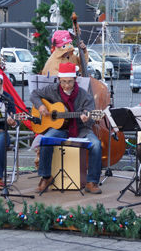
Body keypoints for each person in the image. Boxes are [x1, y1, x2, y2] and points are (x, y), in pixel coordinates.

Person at [30, 62, 103, 194]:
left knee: (96, 145)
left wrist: (87, 118)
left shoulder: (84, 95)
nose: (67, 85)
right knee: (46, 140)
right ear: (59, 79)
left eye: (70, 81)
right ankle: (46, 177)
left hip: (80, 129)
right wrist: (41, 106)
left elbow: (91, 115)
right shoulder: (52, 90)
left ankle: (92, 181)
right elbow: (34, 94)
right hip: (59, 129)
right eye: (63, 82)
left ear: (75, 80)